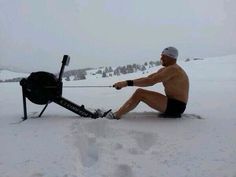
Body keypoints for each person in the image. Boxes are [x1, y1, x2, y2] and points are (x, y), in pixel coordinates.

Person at [106, 46, 189, 119]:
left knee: (140, 93)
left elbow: (150, 81)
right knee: (139, 92)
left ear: (171, 57)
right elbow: (148, 78)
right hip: (171, 103)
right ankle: (116, 114)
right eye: (161, 56)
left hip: (176, 106)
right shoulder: (165, 69)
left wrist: (126, 83)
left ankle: (115, 116)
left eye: (164, 56)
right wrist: (124, 82)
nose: (161, 58)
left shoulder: (173, 69)